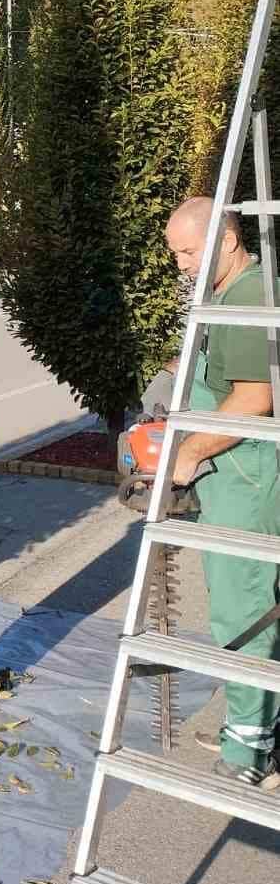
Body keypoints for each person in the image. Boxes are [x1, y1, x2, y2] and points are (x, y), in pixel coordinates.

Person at [165, 197, 280, 787]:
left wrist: (187, 453)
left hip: (247, 475)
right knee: (261, 602)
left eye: (189, 252)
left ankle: (248, 748)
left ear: (227, 239)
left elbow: (254, 398)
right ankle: (262, 726)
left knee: (244, 607)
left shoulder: (247, 299)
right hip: (243, 475)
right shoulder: (236, 291)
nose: (182, 264)